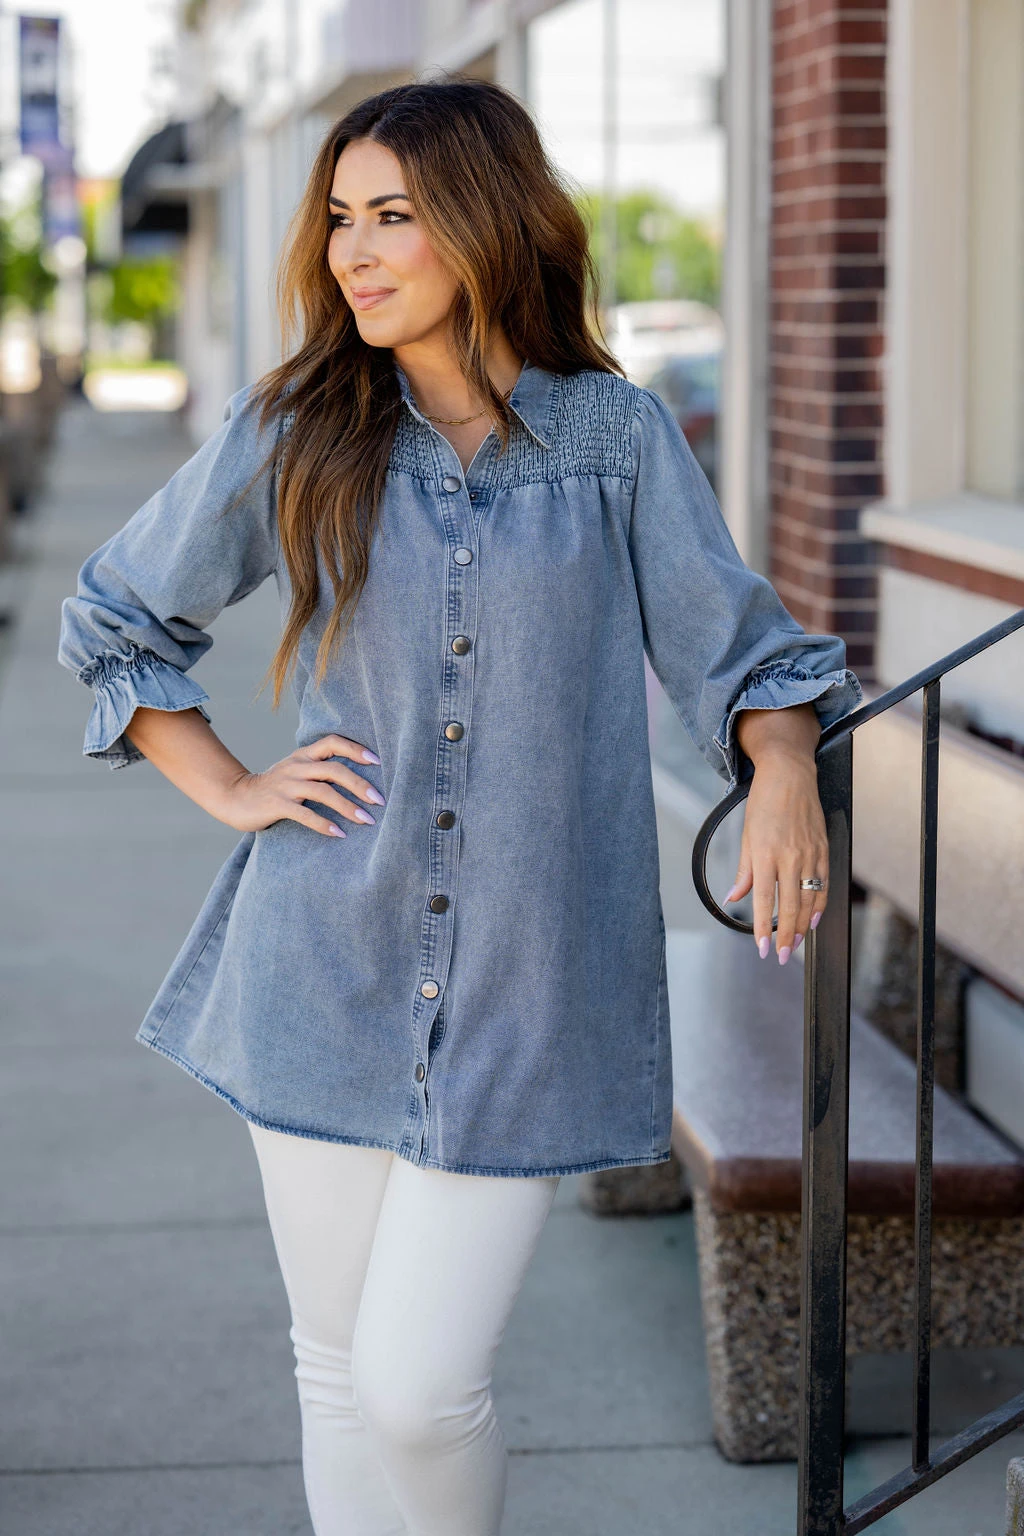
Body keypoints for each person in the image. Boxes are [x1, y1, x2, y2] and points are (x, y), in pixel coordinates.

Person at [57, 76, 862, 1536]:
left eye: (396, 220)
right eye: (342, 222)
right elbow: (116, 617)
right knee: (335, 1370)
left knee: (421, 1385)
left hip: (527, 992)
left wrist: (787, 762)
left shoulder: (613, 439)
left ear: (483, 230)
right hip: (320, 958)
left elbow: (743, 654)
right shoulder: (302, 427)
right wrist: (230, 784)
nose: (356, 254)